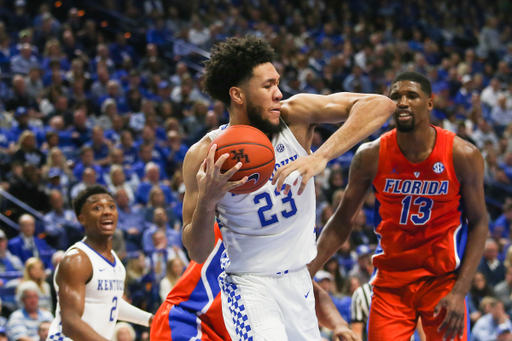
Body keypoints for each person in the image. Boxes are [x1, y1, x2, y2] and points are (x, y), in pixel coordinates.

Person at [180, 36, 394, 340]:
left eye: (277, 83)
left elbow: (380, 104)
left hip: (300, 280)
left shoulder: (294, 116)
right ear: (238, 95)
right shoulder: (204, 155)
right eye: (267, 86)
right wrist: (208, 201)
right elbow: (198, 252)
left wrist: (321, 156)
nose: (278, 93)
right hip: (251, 285)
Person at [309, 71, 488, 341]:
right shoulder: (371, 155)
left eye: (411, 96)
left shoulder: (462, 155)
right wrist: (308, 270)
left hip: (441, 281)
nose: (402, 102)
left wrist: (461, 290)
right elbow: (342, 220)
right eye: (396, 97)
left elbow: (479, 223)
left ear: (429, 103)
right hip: (390, 283)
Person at [151, 223, 361, 341]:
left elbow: (306, 288)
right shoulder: (236, 221)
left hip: (230, 334)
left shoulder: (283, 242)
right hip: (189, 322)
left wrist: (339, 325)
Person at [46, 185, 153, 341]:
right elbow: (71, 323)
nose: (107, 211)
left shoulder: (115, 261)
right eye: (97, 208)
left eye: (111, 206)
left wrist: (151, 320)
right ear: (82, 218)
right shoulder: (77, 260)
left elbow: (110, 303)